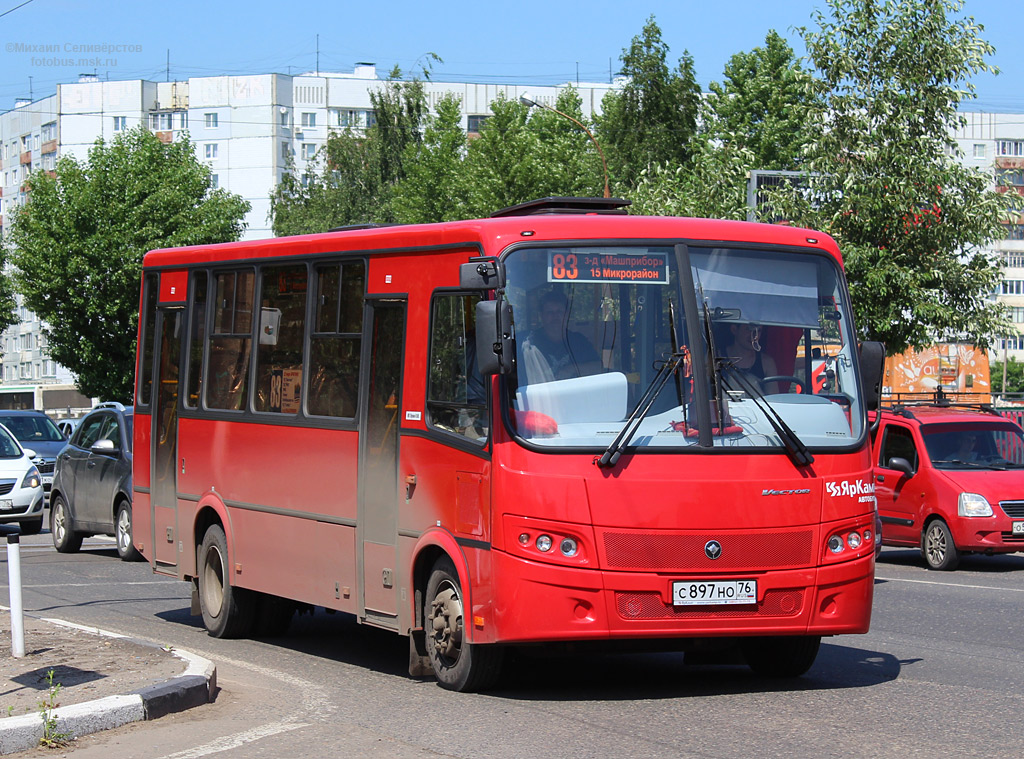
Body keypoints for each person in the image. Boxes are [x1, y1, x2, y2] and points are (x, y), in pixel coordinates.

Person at [519, 291, 602, 383]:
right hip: (541, 395)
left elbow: (598, 368)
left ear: (566, 315)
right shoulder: (530, 343)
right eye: (550, 312)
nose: (555, 316)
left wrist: (571, 369)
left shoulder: (578, 341)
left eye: (559, 311)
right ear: (542, 316)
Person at [721, 321, 779, 394]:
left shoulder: (767, 363)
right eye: (749, 329)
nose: (754, 336)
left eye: (759, 331)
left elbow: (773, 400)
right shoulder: (716, 358)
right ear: (734, 330)